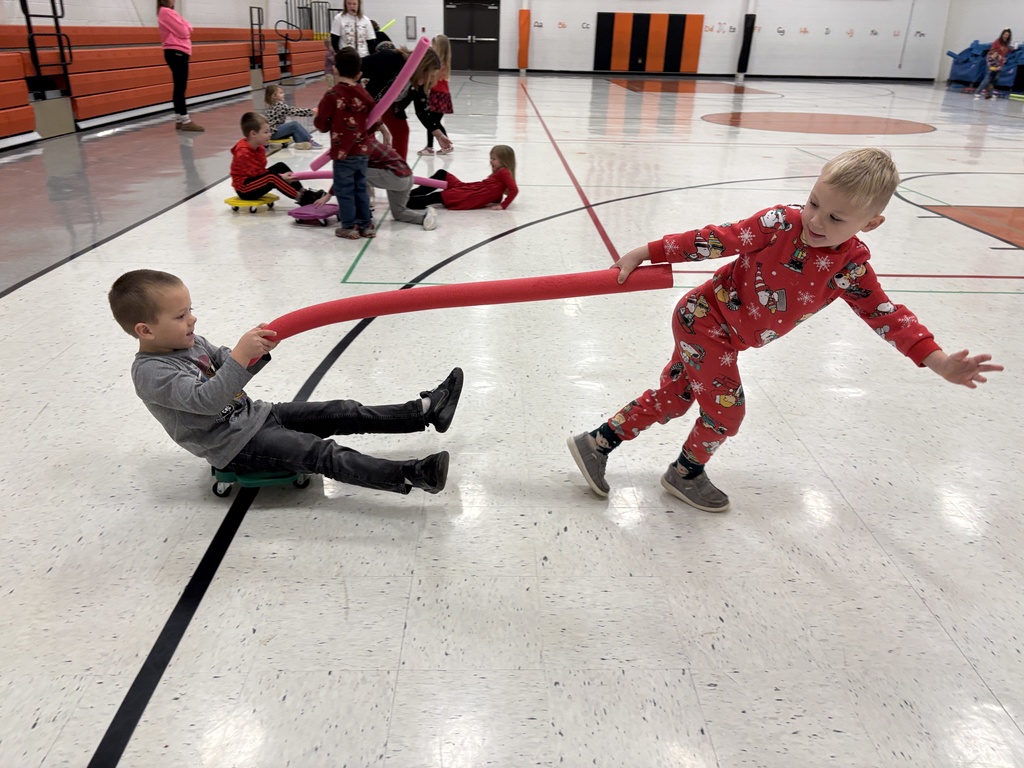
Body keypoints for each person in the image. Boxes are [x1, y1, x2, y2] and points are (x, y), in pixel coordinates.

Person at [566, 148, 1003, 513]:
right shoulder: (780, 223)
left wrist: (939, 361)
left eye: (836, 218)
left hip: (725, 336)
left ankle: (596, 443)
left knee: (677, 396)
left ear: (869, 224)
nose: (815, 221)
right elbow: (718, 239)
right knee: (726, 411)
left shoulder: (850, 268)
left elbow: (887, 316)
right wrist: (649, 251)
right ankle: (685, 473)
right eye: (813, 202)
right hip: (703, 319)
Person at [108, 270, 463, 495]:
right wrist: (238, 358)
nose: (193, 319)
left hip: (257, 415)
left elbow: (228, 362)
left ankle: (425, 412)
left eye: (190, 309)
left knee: (341, 410)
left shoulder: (190, 341)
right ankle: (412, 474)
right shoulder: (151, 372)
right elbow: (208, 401)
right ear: (145, 330)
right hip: (234, 445)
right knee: (321, 453)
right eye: (181, 315)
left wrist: (254, 350)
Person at [314, 132, 439, 231]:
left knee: (356, 173)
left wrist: (328, 196)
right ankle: (425, 217)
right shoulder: (368, 140)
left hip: (396, 178)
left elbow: (346, 174)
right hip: (406, 177)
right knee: (399, 213)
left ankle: (363, 215)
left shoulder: (360, 147)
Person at [314, 47, 376, 239]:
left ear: (335, 70)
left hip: (343, 153)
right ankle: (366, 225)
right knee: (360, 188)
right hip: (362, 152)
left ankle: (348, 226)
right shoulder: (364, 94)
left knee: (344, 190)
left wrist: (321, 119)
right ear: (359, 74)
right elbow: (374, 121)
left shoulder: (332, 95)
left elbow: (322, 124)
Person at [360, 43, 444, 162]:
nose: (429, 80)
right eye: (429, 75)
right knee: (366, 133)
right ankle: (364, 166)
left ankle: (398, 168)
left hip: (391, 106)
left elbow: (422, 111)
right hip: (367, 102)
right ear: (422, 67)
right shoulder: (390, 59)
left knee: (402, 131)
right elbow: (358, 67)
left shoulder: (418, 82)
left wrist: (439, 135)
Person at [230, 112, 326, 205]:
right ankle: (302, 199)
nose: (270, 134)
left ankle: (303, 191)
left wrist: (281, 175)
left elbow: (261, 172)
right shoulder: (243, 153)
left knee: (280, 166)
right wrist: (281, 177)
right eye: (266, 132)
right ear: (253, 134)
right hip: (244, 189)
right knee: (271, 177)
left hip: (254, 181)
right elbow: (256, 174)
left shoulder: (259, 148)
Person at [407, 145, 517, 211]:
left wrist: (503, 205)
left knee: (433, 197)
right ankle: (409, 195)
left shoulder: (503, 171)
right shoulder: (500, 173)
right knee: (442, 174)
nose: (491, 161)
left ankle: (403, 201)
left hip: (467, 195)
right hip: (467, 188)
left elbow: (514, 190)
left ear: (504, 161)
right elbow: (495, 193)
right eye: (491, 158)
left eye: (494, 159)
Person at [157, 0, 202, 131]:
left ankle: (179, 119)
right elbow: (184, 31)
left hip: (179, 51)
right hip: (176, 51)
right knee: (180, 87)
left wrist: (186, 27)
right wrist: (186, 27)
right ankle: (185, 120)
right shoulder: (165, 12)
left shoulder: (170, 12)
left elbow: (187, 27)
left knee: (179, 86)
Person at [416, 35, 454, 156]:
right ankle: (444, 144)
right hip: (442, 95)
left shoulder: (439, 64)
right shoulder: (444, 62)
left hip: (438, 96)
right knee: (435, 122)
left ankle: (431, 146)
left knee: (432, 122)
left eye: (434, 45)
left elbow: (433, 80)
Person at [264, 84, 320, 150]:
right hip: (274, 133)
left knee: (292, 128)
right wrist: (311, 111)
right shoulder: (279, 105)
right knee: (294, 125)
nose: (283, 94)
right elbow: (294, 111)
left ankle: (301, 143)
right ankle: (309, 141)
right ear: (274, 96)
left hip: (272, 132)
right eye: (280, 93)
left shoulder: (271, 105)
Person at [975, 28, 1013, 99]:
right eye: (1005, 34)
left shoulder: (1006, 44)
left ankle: (989, 93)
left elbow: (1006, 52)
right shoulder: (997, 42)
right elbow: (992, 52)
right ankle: (978, 91)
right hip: (993, 63)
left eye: (1007, 35)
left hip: (1000, 64)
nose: (1006, 36)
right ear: (1002, 34)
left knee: (995, 79)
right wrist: (994, 61)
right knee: (988, 79)